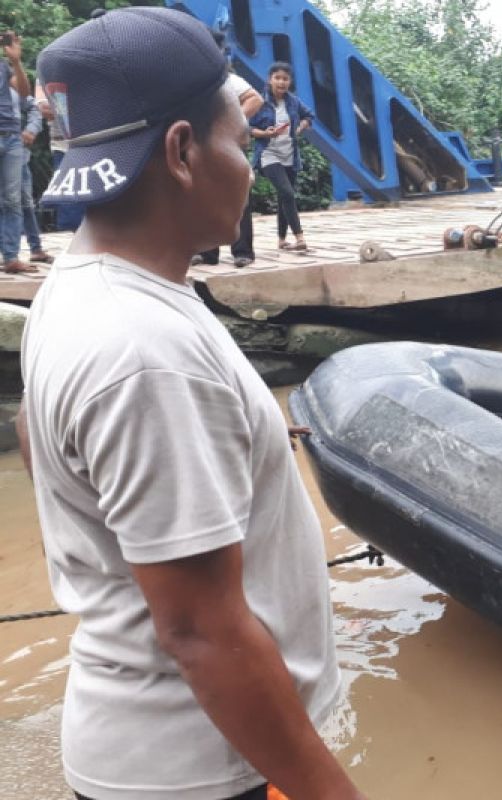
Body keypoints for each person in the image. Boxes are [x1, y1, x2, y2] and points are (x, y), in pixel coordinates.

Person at [22, 9, 365, 799]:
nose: (245, 167)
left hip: (154, 744)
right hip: (199, 769)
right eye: (238, 145)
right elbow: (201, 634)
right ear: (181, 152)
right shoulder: (146, 353)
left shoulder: (75, 290)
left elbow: (39, 443)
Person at [193, 30, 262, 269]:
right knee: (205, 198)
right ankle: (208, 252)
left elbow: (255, 99)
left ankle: (242, 252)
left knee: (239, 197)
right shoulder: (193, 80)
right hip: (202, 146)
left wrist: (231, 122)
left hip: (229, 144)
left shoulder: (227, 80)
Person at [250, 61, 312, 253]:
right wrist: (265, 133)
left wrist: (300, 127)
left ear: (289, 81)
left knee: (283, 197)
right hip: (269, 153)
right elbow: (248, 128)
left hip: (290, 155)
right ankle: (299, 237)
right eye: (277, 78)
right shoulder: (260, 102)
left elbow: (309, 116)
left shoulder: (293, 101)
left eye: (285, 79)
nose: (281, 82)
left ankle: (281, 240)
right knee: (287, 193)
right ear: (270, 80)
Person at [1, 28, 33, 274]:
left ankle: (11, 257)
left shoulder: (4, 67)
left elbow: (24, 93)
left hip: (11, 138)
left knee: (12, 200)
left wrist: (16, 60)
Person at [36, 79, 84, 233]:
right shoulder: (44, 75)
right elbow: (45, 110)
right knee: (68, 197)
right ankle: (69, 237)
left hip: (92, 143)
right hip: (62, 146)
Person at [13, 87, 53, 264]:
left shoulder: (12, 87)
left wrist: (31, 130)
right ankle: (12, 254)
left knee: (26, 203)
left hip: (17, 154)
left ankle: (35, 248)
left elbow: (34, 109)